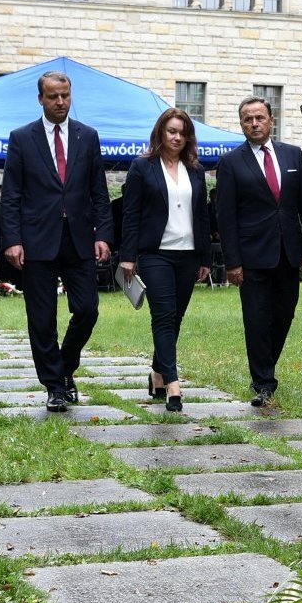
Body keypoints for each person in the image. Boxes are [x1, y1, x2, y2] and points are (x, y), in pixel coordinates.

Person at [0, 71, 113, 413]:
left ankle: (65, 366)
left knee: (87, 309)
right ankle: (54, 386)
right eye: (53, 97)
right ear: (41, 99)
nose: (60, 102)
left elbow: (99, 192)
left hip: (79, 239)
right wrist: (13, 239)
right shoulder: (22, 138)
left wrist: (104, 233)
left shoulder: (87, 136)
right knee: (42, 318)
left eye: (65, 95)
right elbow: (12, 195)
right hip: (36, 242)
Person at [215, 96, 302, 408]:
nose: (254, 123)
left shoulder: (292, 155)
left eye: (259, 117)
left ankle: (266, 365)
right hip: (251, 256)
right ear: (242, 124)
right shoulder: (231, 162)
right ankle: (263, 382)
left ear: (271, 120)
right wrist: (232, 262)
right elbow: (226, 216)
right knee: (257, 319)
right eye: (248, 119)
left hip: (288, 252)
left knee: (283, 315)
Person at [117, 110, 213, 413]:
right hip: (154, 253)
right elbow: (130, 214)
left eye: (182, 133)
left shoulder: (195, 170)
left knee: (175, 318)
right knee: (163, 315)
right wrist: (127, 257)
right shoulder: (142, 167)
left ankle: (157, 372)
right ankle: (173, 384)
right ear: (160, 133)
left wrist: (205, 257)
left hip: (188, 254)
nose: (176, 137)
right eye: (171, 131)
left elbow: (202, 216)